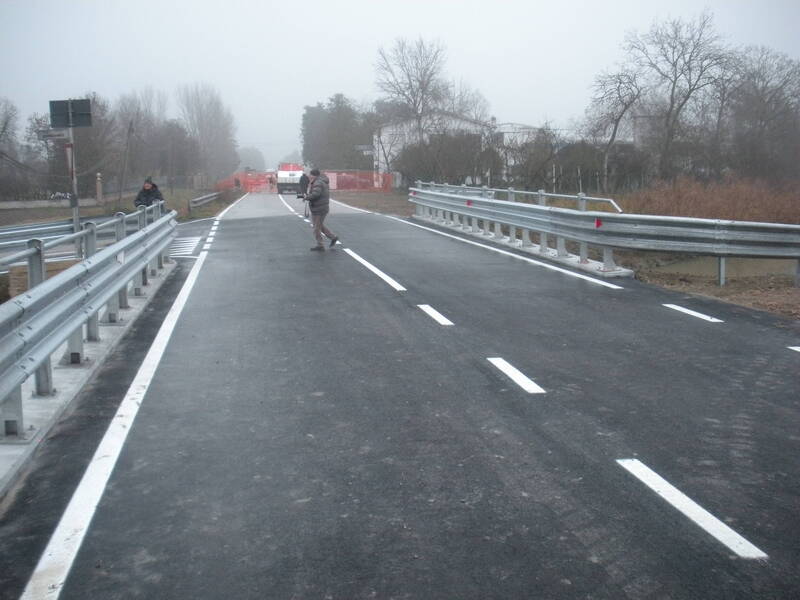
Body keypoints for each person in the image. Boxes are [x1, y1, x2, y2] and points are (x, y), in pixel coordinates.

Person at [304, 169, 339, 251]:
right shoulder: (318, 181)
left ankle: (320, 245)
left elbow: (316, 194)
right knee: (319, 226)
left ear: (314, 175)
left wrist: (307, 197)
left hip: (320, 208)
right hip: (317, 208)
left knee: (316, 228)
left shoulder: (318, 183)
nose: (309, 176)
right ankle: (333, 237)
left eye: (310, 174)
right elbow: (316, 193)